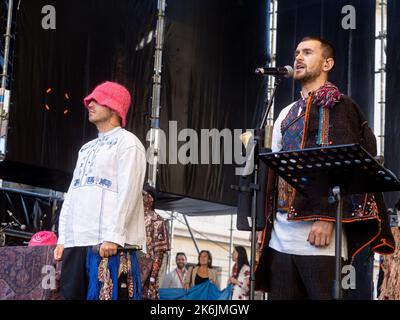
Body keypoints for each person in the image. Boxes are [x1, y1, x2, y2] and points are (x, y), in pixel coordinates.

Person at [255, 36, 395, 300]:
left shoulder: (341, 106)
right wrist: (265, 226)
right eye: (296, 52)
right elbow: (275, 174)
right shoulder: (285, 113)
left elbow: (351, 164)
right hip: (280, 239)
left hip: (320, 242)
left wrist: (326, 217)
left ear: (327, 63)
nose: (298, 57)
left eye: (307, 52)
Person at [53, 81, 147, 300]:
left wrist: (114, 236)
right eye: (89, 101)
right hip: (77, 241)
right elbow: (72, 193)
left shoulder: (129, 143)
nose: (90, 104)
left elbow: (129, 192)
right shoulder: (85, 148)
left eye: (97, 100)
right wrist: (63, 238)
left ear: (114, 107)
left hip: (105, 242)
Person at [142, 185, 170, 299]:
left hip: (148, 268)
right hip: (131, 265)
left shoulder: (158, 221)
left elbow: (160, 253)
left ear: (151, 199)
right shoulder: (131, 217)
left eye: (144, 195)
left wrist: (153, 275)